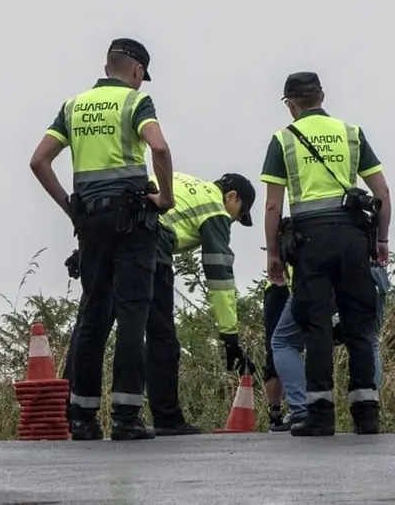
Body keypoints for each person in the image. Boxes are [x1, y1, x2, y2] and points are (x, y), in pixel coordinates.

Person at [30, 37, 174, 441]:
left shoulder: (73, 106)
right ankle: (126, 417)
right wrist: (165, 197)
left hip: (90, 222)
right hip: (133, 221)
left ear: (107, 66)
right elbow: (159, 148)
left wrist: (70, 208)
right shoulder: (135, 102)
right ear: (137, 71)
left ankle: (82, 417)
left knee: (93, 315)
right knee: (132, 315)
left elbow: (39, 161)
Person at [261, 71, 391, 436]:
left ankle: (319, 415)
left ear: (290, 104)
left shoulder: (283, 139)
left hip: (310, 243)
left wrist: (273, 254)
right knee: (359, 327)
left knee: (315, 325)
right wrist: (381, 241)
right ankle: (366, 415)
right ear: (322, 96)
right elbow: (382, 193)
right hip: (353, 239)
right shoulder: (352, 133)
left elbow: (273, 207)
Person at [145, 171, 256, 435]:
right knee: (163, 338)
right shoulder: (215, 209)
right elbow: (220, 277)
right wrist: (230, 337)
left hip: (114, 235)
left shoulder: (183, 181)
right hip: (152, 246)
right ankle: (167, 419)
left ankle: (77, 411)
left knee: (97, 322)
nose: (233, 220)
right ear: (232, 196)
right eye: (239, 214)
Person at [269, 261, 390, 431]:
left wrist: (275, 256)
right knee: (369, 341)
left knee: (284, 341)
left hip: (321, 271)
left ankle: (303, 410)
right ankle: (367, 414)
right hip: (371, 273)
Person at [261, 265, 292, 430]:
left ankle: (280, 412)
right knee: (277, 348)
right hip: (282, 285)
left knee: (278, 346)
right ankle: (276, 413)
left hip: (289, 284)